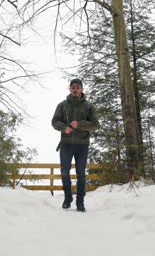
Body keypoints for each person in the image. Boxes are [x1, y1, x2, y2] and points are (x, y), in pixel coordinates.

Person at [51, 78, 99, 212]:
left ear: (82, 89)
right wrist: (63, 128)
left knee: (81, 174)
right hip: (66, 144)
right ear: (70, 89)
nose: (75, 89)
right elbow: (54, 122)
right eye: (73, 87)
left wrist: (80, 124)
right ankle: (67, 198)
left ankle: (80, 202)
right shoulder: (62, 105)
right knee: (64, 172)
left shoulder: (89, 106)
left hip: (82, 145)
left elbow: (95, 125)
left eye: (78, 87)